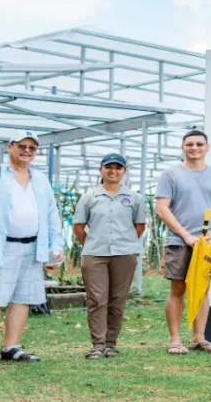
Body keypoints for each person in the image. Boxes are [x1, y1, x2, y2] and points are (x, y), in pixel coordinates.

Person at [0, 130, 65, 368]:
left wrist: (56, 244)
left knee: (23, 299)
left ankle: (11, 347)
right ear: (10, 146)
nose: (26, 151)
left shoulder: (39, 179)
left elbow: (51, 214)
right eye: (22, 146)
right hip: (2, 245)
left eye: (32, 147)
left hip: (33, 247)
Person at [156, 129, 211, 355]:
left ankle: (200, 338)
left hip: (210, 243)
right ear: (183, 148)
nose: (194, 148)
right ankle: (174, 339)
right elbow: (162, 209)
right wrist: (186, 235)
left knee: (202, 290)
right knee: (178, 287)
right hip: (180, 241)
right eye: (189, 144)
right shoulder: (170, 175)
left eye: (199, 144)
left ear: (207, 147)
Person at [72, 153, 147, 359]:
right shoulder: (89, 197)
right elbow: (78, 227)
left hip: (125, 254)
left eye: (118, 167)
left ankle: (111, 343)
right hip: (95, 254)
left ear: (124, 171)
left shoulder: (134, 198)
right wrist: (91, 243)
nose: (113, 171)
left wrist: (126, 243)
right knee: (97, 298)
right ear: (101, 170)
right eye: (108, 167)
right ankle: (98, 344)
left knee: (118, 298)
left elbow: (139, 226)